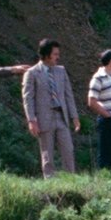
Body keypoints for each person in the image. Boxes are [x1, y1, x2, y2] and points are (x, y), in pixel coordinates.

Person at [22, 38, 80, 178]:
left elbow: (68, 95)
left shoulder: (61, 71)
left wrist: (75, 117)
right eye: (55, 54)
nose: (57, 57)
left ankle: (71, 181)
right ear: (46, 54)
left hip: (61, 117)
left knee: (68, 150)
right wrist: (31, 120)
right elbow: (28, 98)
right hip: (43, 118)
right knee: (47, 154)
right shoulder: (32, 73)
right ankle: (50, 183)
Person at [86, 48, 111, 176]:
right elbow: (91, 101)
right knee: (105, 154)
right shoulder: (98, 78)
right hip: (108, 121)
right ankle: (102, 181)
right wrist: (108, 116)